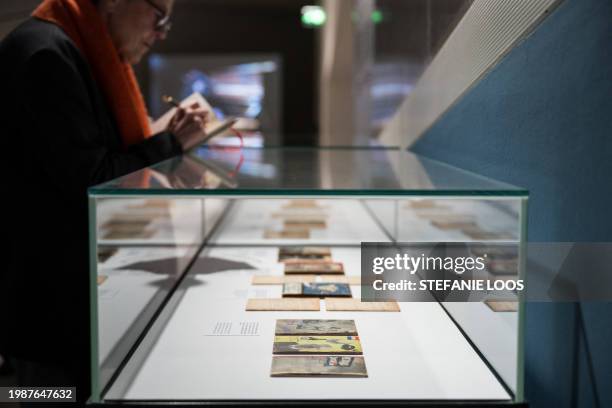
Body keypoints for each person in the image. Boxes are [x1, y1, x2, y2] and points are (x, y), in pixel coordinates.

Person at [0, 0, 209, 405]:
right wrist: (169, 144)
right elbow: (93, 179)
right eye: (158, 15)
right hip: (47, 312)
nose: (161, 32)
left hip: (65, 299)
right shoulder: (46, 54)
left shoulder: (75, 50)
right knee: (47, 397)